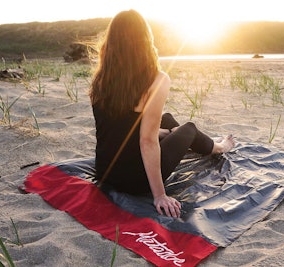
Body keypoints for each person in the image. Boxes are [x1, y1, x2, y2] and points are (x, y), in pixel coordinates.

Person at [89, 9, 235, 218]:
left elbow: (116, 127)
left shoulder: (101, 78)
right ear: (145, 40)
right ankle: (219, 146)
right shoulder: (157, 79)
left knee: (165, 119)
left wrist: (159, 133)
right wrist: (159, 195)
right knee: (189, 129)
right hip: (136, 181)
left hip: (104, 172)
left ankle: (171, 132)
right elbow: (147, 141)